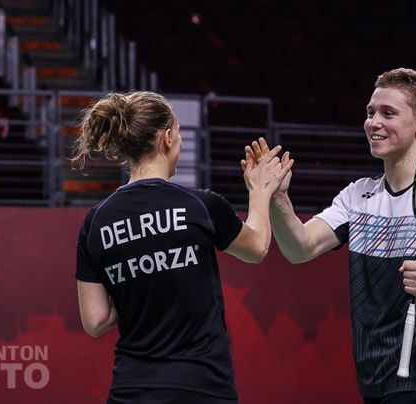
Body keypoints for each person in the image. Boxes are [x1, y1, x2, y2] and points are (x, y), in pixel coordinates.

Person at [247, 68, 416, 404]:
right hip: (373, 382)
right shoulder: (357, 196)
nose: (373, 123)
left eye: (388, 113)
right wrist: (277, 198)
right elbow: (299, 247)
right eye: (370, 112)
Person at [73, 91, 292, 404]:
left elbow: (95, 321)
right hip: (201, 387)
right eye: (178, 134)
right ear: (166, 138)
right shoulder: (200, 205)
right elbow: (257, 247)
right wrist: (260, 190)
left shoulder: (96, 222)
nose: (180, 143)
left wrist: (145, 283)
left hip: (131, 390)